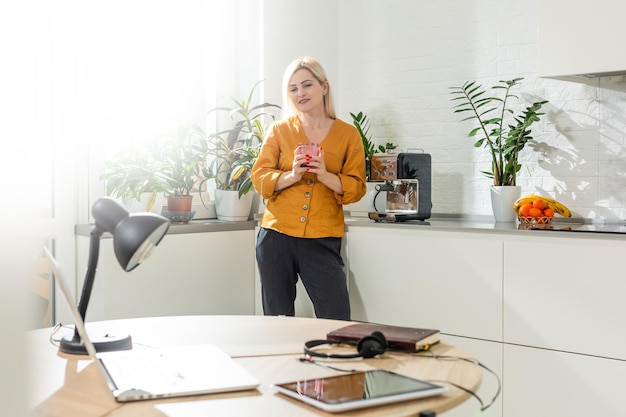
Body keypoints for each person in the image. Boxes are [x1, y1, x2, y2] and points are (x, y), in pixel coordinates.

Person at [251, 56, 366, 320]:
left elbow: (357, 187)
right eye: (293, 88)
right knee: (277, 321)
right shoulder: (279, 131)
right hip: (276, 236)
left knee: (336, 320)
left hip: (322, 238)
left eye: (306, 85)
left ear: (324, 86)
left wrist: (324, 174)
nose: (300, 93)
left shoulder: (348, 135)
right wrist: (292, 175)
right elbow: (259, 177)